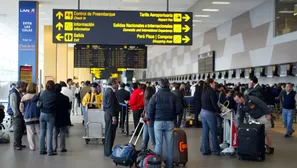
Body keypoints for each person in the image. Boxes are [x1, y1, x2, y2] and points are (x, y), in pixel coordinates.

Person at [148, 78, 182, 168]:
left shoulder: (155, 96)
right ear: (168, 85)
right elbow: (179, 109)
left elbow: (150, 110)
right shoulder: (173, 96)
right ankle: (169, 165)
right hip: (170, 122)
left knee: (158, 144)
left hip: (158, 122)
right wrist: (173, 115)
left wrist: (153, 119)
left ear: (159, 86)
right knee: (169, 144)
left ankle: (157, 165)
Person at [200, 78, 221, 156]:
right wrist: (219, 111)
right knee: (213, 132)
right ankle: (216, 150)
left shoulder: (204, 90)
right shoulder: (211, 91)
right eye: (214, 83)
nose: (215, 84)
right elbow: (213, 103)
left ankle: (205, 150)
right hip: (209, 113)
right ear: (211, 84)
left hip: (202, 112)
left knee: (205, 132)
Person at [20, 82, 40, 151]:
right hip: (37, 116)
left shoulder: (24, 97)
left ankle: (32, 147)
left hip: (27, 116)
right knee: (39, 132)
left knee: (30, 132)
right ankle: (44, 145)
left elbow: (21, 107)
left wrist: (23, 113)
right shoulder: (37, 96)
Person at [39, 80, 57, 156]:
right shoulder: (54, 94)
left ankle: (41, 150)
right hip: (50, 114)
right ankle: (50, 151)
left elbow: (38, 100)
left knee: (42, 132)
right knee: (49, 132)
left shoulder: (42, 92)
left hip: (42, 114)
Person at [7, 80, 27, 150]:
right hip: (16, 114)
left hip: (19, 113)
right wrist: (16, 114)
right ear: (21, 86)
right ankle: (16, 144)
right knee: (17, 129)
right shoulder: (13, 93)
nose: (25, 88)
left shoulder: (19, 92)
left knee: (21, 129)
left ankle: (19, 143)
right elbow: (13, 105)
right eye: (24, 86)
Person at [103, 78, 120, 157]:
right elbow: (111, 106)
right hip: (111, 115)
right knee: (110, 133)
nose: (117, 85)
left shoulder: (107, 91)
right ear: (113, 83)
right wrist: (113, 117)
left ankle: (107, 150)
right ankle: (108, 151)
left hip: (108, 114)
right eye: (116, 83)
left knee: (109, 132)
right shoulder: (110, 92)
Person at [53, 84, 71, 153]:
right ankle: (62, 147)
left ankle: (54, 147)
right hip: (63, 116)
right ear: (60, 89)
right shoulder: (65, 98)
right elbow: (68, 108)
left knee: (55, 132)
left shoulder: (52, 98)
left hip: (55, 116)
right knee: (62, 132)